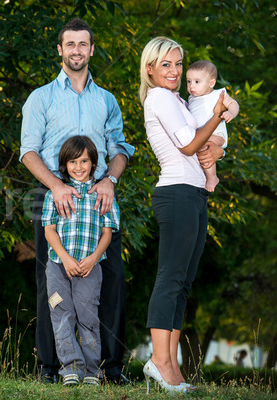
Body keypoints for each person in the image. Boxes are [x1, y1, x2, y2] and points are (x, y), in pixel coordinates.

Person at [20, 17, 135, 384]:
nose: (76, 50)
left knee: (111, 279)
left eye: (82, 44)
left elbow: (119, 150)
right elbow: (28, 152)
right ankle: (51, 367)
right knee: (51, 280)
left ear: (91, 49)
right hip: (55, 194)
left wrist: (111, 181)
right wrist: (56, 186)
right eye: (70, 44)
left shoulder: (107, 100)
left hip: (98, 198)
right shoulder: (41, 97)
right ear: (60, 50)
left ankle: (108, 367)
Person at [139, 36, 228, 394]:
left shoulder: (178, 97)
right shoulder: (160, 97)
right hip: (176, 193)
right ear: (150, 69)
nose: (175, 71)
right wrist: (218, 117)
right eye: (166, 65)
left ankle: (171, 365)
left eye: (178, 64)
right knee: (171, 279)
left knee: (183, 283)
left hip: (191, 193)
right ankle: (159, 361)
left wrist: (218, 144)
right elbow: (190, 144)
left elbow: (206, 141)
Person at [41, 135, 120, 387]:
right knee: (61, 313)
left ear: (93, 163)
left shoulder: (102, 194)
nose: (78, 167)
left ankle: (91, 372)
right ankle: (70, 369)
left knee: (88, 316)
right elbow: (49, 230)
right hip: (58, 265)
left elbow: (107, 233)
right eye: (73, 161)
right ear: (64, 165)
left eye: (84, 161)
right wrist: (64, 259)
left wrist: (94, 258)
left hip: (89, 267)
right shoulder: (55, 194)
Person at [186, 60, 240, 192]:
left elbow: (234, 104)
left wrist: (230, 113)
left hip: (216, 134)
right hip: (203, 133)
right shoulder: (191, 99)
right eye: (188, 81)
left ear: (211, 83)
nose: (191, 86)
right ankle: (205, 175)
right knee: (200, 147)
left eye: (197, 82)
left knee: (202, 145)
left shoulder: (217, 95)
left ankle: (212, 177)